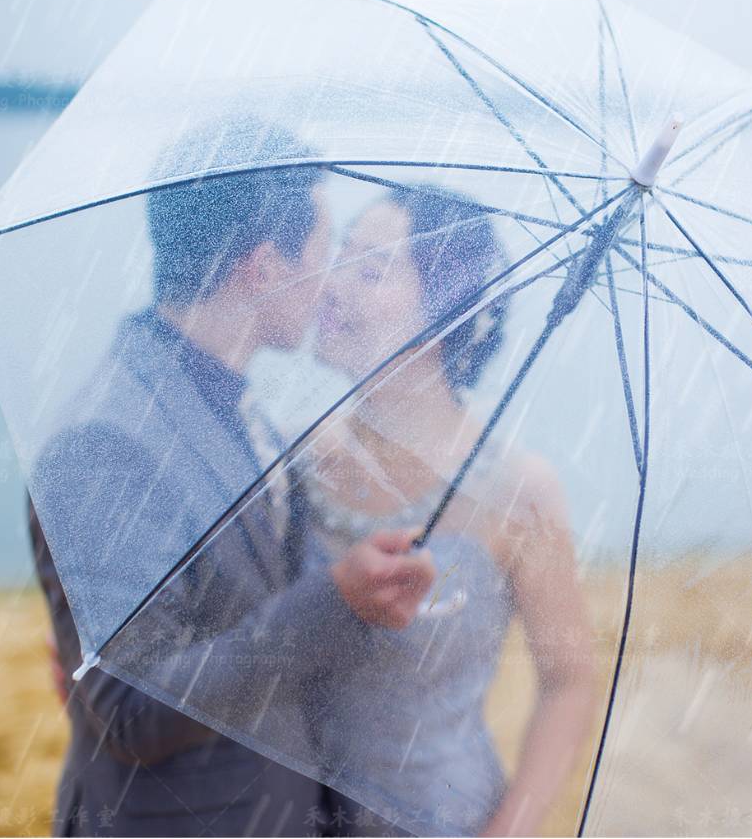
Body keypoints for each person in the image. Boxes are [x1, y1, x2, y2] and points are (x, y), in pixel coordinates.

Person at [29, 119, 434, 837]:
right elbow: (129, 708)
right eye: (320, 252)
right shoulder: (104, 441)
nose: (332, 282)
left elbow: (247, 602)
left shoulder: (243, 403)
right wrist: (330, 603)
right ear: (264, 266)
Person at [254, 185, 597, 836]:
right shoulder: (287, 455)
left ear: (445, 305)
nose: (334, 285)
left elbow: (569, 680)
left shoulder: (519, 488)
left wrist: (512, 831)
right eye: (341, 257)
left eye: (372, 269)